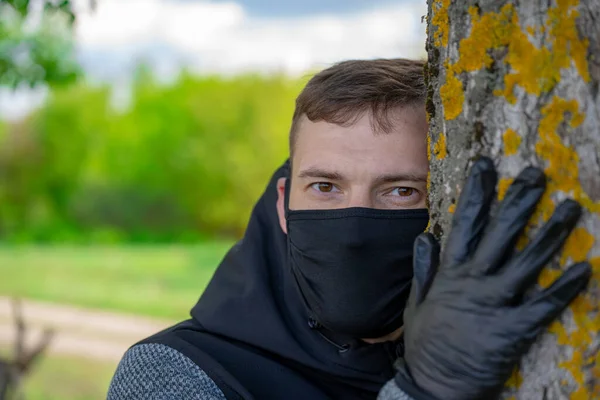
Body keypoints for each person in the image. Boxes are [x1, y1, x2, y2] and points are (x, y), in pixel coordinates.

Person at [107, 59, 591, 400]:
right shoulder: (179, 371)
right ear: (283, 203)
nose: (356, 228)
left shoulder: (492, 337)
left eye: (401, 191)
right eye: (324, 186)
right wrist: (425, 390)